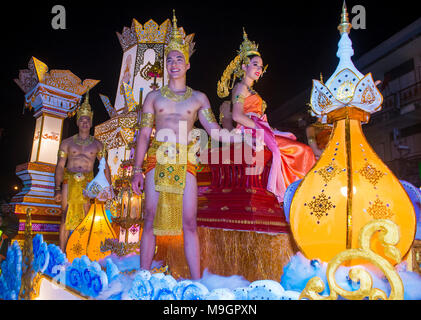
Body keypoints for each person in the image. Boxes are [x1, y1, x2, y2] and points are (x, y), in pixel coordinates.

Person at [131, 11, 221, 280]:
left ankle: (196, 283)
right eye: (169, 59)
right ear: (165, 64)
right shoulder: (153, 97)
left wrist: (244, 132)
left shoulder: (199, 99)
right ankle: (142, 279)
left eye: (179, 58)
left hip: (185, 160)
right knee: (149, 218)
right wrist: (137, 170)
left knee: (190, 223)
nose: (174, 63)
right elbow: (144, 135)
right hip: (156, 158)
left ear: (188, 64)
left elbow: (215, 131)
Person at [217, 29, 317, 203]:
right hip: (251, 131)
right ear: (244, 66)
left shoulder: (251, 90)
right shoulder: (241, 88)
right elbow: (237, 116)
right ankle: (293, 194)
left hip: (259, 129)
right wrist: (259, 128)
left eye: (261, 66)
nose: (259, 69)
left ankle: (299, 192)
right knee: (302, 150)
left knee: (298, 147)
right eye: (255, 64)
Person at [54, 91, 113, 252]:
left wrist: (109, 188)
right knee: (66, 217)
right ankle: (62, 252)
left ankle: (80, 251)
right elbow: (60, 166)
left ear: (91, 122)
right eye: (82, 119)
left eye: (88, 120)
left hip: (88, 181)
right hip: (69, 180)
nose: (85, 122)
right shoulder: (66, 143)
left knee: (87, 217)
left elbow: (104, 167)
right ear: (78, 122)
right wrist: (57, 188)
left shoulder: (98, 144)